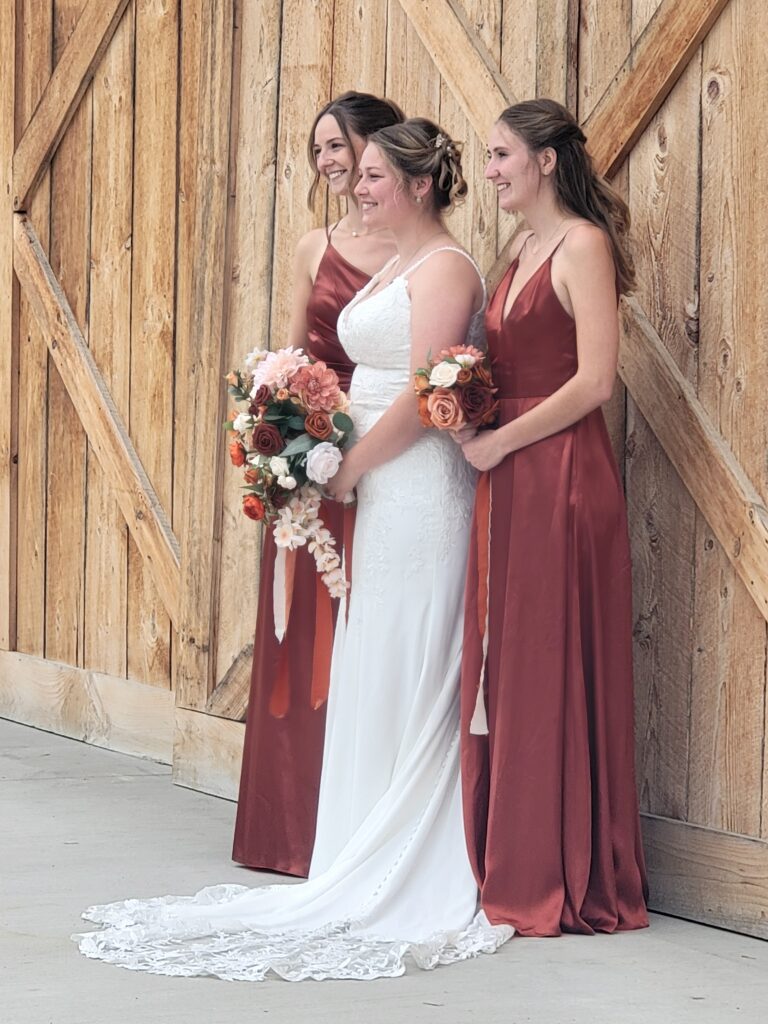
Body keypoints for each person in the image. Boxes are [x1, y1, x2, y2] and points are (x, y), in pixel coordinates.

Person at [76, 118, 511, 981]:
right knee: (373, 643)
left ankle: (408, 845)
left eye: (378, 176)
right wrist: (298, 426)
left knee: (411, 645)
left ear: (421, 185)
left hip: (419, 489)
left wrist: (344, 468)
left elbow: (428, 397)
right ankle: (353, 838)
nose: (359, 187)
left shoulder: (447, 270)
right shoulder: (389, 264)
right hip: (375, 483)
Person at [458, 98, 649, 936]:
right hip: (509, 469)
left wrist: (504, 444)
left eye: (501, 155)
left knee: (551, 657)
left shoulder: (583, 246)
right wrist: (466, 411)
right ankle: (510, 851)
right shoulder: (518, 249)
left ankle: (560, 867)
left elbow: (595, 383)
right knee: (512, 664)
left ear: (544, 161)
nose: (491, 169)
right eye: (489, 156)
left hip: (565, 471)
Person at [233, 91, 403, 878]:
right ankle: (290, 828)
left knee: (371, 631)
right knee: (299, 632)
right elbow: (292, 357)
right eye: (321, 152)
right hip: (310, 458)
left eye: (343, 147)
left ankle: (363, 821)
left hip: (388, 458)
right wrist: (284, 441)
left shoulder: (419, 250)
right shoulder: (314, 246)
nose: (333, 164)